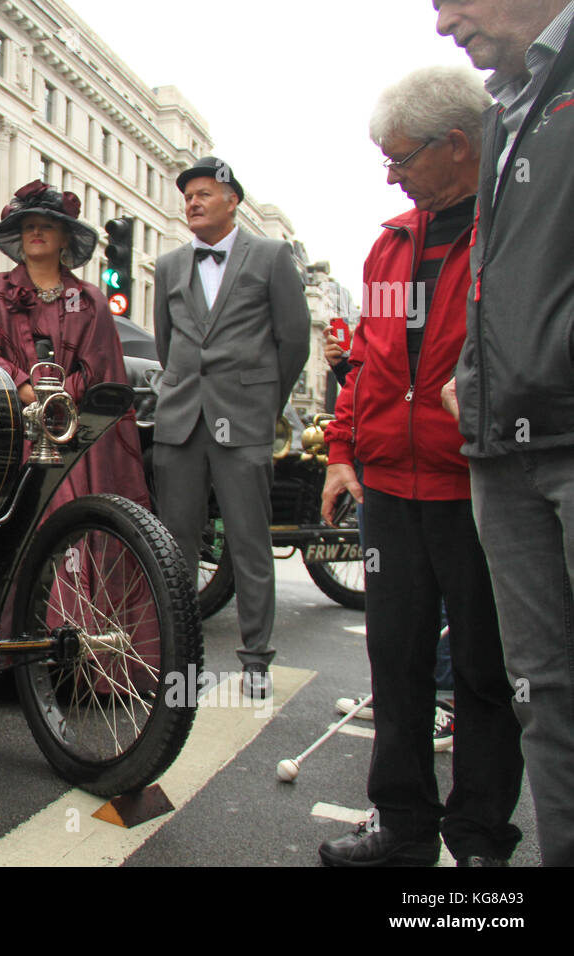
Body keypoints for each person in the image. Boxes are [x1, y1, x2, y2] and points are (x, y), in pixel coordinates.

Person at [317, 66, 523, 867]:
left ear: (458, 146)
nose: (392, 173)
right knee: (396, 666)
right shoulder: (389, 246)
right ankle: (402, 830)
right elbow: (368, 362)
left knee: (482, 675)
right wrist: (340, 453)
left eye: (401, 158)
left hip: (475, 487)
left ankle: (477, 844)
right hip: (390, 496)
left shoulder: (510, 232)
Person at [435, 0, 574, 867]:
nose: (445, 23)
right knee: (546, 695)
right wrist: (473, 378)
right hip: (503, 442)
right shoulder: (504, 108)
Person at [151, 157, 310, 698]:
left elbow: (294, 341)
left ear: (232, 199)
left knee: (248, 542)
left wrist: (264, 404)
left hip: (243, 422)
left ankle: (256, 662)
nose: (192, 202)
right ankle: (179, 662)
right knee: (175, 547)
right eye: (187, 195)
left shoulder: (270, 256)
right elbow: (166, 343)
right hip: (180, 422)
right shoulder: (170, 265)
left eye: (203, 193)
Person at [0, 179, 150, 512]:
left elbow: (99, 365)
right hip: (4, 429)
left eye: (46, 226)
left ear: (64, 237)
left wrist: (58, 402)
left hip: (73, 437)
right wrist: (24, 388)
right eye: (29, 226)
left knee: (65, 506)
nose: (36, 232)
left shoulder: (90, 302)